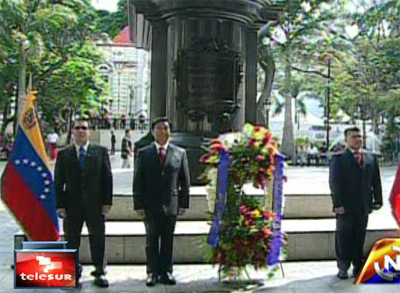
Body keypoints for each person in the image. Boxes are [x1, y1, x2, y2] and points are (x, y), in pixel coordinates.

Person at [54, 118, 113, 288]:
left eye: (84, 128)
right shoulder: (64, 154)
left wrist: (107, 201)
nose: (81, 131)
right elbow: (58, 182)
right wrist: (60, 205)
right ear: (72, 131)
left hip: (96, 205)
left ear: (89, 131)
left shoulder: (101, 152)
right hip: (72, 206)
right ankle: (72, 274)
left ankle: (99, 272)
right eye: (78, 128)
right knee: (72, 241)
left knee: (98, 239)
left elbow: (107, 178)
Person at [133, 117, 190, 287]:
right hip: (150, 205)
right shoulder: (144, 153)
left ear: (169, 132)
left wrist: (184, 203)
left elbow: (184, 181)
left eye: (165, 128)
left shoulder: (179, 153)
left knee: (167, 240)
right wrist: (138, 204)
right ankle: (152, 272)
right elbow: (138, 181)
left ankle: (166, 271)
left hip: (171, 204)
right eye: (158, 128)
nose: (162, 132)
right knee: (151, 240)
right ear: (153, 132)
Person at [329, 126, 382, 280]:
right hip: (345, 206)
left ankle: (358, 266)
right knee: (344, 237)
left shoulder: (371, 158)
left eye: (359, 136)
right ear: (346, 140)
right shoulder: (338, 159)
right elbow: (335, 183)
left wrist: (377, 200)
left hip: (363, 205)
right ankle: (343, 266)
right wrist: (337, 204)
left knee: (360, 236)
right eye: (354, 137)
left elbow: (375, 181)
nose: (358, 139)